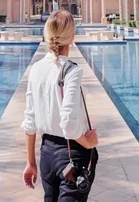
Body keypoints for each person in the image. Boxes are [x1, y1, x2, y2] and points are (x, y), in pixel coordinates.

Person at [22, 10, 99, 200]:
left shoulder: (36, 69)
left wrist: (30, 162)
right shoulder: (72, 70)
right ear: (71, 37)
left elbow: (30, 121)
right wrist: (87, 142)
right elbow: (68, 122)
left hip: (46, 153)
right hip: (73, 155)